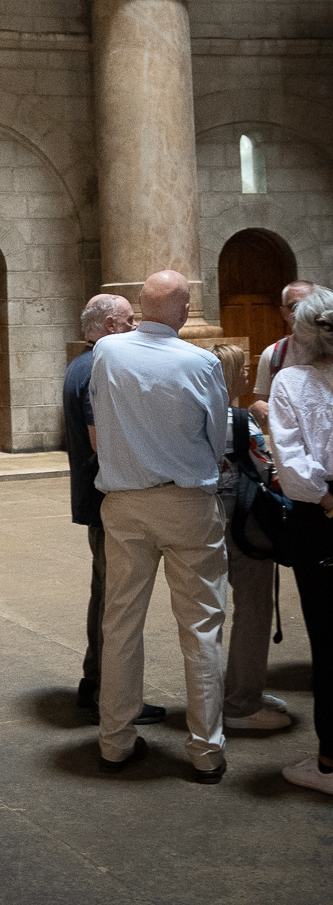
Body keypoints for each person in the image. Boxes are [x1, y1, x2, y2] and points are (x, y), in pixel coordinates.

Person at [89, 270, 230, 782]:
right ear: (186, 310)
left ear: (141, 306)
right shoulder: (201, 362)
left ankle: (115, 742)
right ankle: (206, 751)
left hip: (125, 503)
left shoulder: (108, 352)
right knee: (201, 626)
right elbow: (218, 439)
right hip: (187, 503)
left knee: (121, 622)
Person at [63, 293, 165, 728]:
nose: (135, 326)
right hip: (109, 498)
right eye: (128, 320)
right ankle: (110, 694)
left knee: (105, 592)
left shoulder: (82, 363)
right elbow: (100, 440)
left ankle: (95, 681)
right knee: (116, 599)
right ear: (108, 325)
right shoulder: (97, 366)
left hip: (97, 497)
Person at [268, 287, 333, 796]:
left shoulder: (291, 381)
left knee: (328, 639)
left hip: (322, 519)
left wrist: (328, 499)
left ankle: (329, 763)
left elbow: (291, 469)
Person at [210, 343, 290, 731]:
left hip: (209, 518)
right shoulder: (239, 421)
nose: (247, 375)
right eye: (242, 369)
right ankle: (242, 702)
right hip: (244, 523)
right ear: (229, 377)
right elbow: (267, 471)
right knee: (254, 609)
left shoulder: (200, 417)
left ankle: (231, 692)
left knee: (208, 614)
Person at [249, 280, 316, 433]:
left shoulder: (328, 351)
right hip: (289, 442)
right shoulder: (273, 354)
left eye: (306, 305)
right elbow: (260, 401)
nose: (299, 312)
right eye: (293, 306)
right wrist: (257, 407)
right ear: (283, 312)